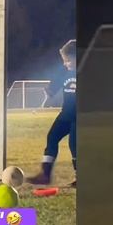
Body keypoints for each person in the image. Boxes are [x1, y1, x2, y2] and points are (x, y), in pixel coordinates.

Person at [25, 40, 77, 187]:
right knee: (52, 137)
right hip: (66, 114)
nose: (65, 63)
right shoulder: (64, 73)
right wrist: (47, 93)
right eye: (64, 60)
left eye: (67, 60)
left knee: (74, 144)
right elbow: (52, 90)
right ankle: (45, 175)